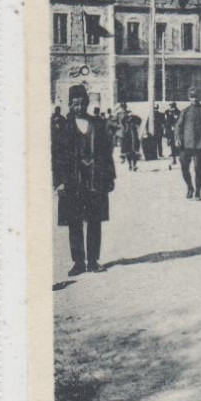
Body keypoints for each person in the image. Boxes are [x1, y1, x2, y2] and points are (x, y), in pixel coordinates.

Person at [51, 83, 116, 276]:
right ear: (70, 105)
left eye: (81, 103)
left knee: (94, 220)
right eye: (74, 104)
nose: (78, 107)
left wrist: (109, 177)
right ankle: (79, 262)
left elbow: (106, 153)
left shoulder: (97, 124)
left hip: (95, 179)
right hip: (72, 180)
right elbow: (56, 156)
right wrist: (59, 181)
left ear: (87, 103)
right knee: (75, 222)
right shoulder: (63, 126)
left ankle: (93, 261)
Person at [175, 87, 201, 199]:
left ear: (199, 97)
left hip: (200, 145)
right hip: (186, 145)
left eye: (196, 97)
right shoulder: (185, 111)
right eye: (192, 97)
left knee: (198, 168)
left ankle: (198, 192)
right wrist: (178, 138)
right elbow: (178, 126)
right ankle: (190, 187)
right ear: (189, 98)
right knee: (184, 168)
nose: (194, 99)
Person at [163, 102, 181, 168]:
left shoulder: (178, 112)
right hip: (169, 131)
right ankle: (173, 158)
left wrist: (175, 126)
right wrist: (167, 128)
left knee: (177, 144)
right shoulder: (167, 112)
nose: (170, 107)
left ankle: (177, 157)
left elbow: (179, 121)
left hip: (176, 131)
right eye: (170, 105)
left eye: (171, 106)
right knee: (171, 144)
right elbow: (165, 121)